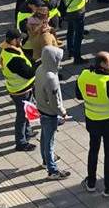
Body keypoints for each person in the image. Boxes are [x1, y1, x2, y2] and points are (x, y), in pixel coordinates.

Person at [76, 51, 109, 196]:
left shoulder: (84, 75)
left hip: (92, 120)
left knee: (93, 150)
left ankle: (91, 182)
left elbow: (79, 95)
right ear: (103, 64)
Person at [35, 40, 71, 179]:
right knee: (50, 141)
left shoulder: (40, 69)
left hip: (41, 108)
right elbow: (55, 100)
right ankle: (52, 170)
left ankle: (45, 160)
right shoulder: (51, 78)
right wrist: (63, 112)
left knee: (45, 137)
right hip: (50, 113)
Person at [0, 28, 36, 151]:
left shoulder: (7, 50)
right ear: (13, 40)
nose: (21, 40)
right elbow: (29, 73)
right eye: (19, 38)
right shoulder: (13, 59)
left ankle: (27, 132)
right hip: (21, 90)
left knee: (26, 112)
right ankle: (21, 142)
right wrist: (39, 64)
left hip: (17, 87)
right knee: (22, 115)